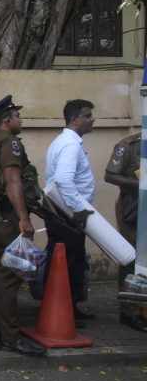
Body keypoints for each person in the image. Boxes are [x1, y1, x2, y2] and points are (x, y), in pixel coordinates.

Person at [0, 95, 46, 356]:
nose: (20, 119)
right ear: (7, 120)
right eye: (17, 116)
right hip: (7, 217)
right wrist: (23, 217)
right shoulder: (10, 143)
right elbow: (12, 181)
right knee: (9, 277)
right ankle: (11, 336)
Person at [44, 99, 96, 321]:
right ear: (75, 119)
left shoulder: (66, 141)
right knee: (69, 263)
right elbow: (63, 180)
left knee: (63, 261)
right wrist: (78, 209)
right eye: (87, 115)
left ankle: (65, 308)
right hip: (67, 213)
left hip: (62, 211)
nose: (92, 119)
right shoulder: (70, 144)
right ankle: (65, 311)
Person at [104, 132, 147, 333]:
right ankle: (129, 312)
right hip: (134, 210)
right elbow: (110, 175)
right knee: (131, 260)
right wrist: (141, 186)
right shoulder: (130, 145)